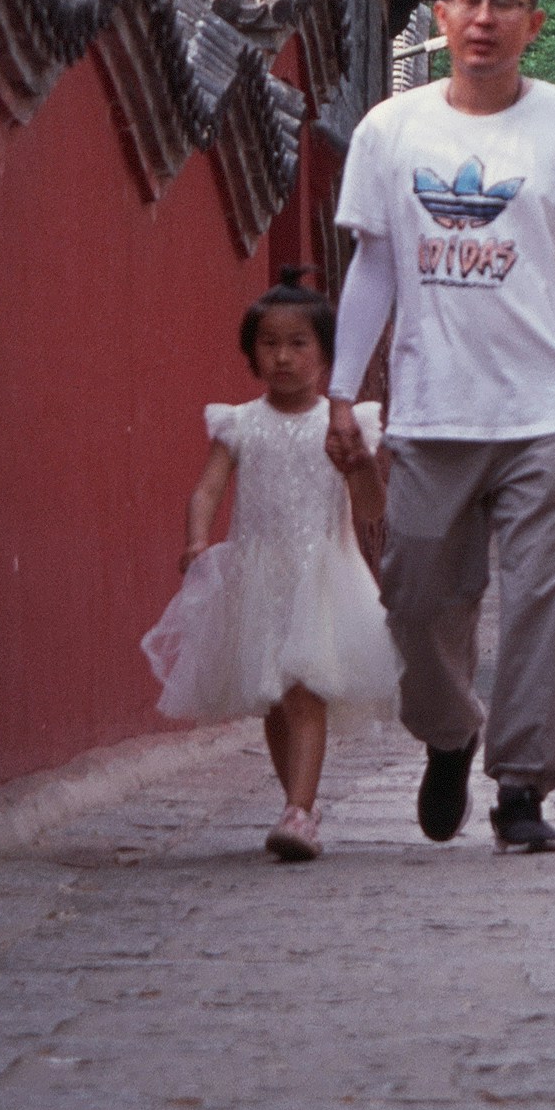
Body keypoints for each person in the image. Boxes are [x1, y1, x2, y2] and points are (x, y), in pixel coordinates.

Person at [331, 0, 555, 855]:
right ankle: (449, 733)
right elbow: (373, 264)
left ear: (534, 24)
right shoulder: (389, 132)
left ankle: (522, 785)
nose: (484, 18)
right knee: (415, 598)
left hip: (551, 412)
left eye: (504, 3)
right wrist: (338, 394)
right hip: (433, 411)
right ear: (440, 18)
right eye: (468, 1)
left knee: (539, 604)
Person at [142, 281, 399, 864]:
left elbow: (370, 508)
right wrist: (196, 539)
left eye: (298, 344)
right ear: (251, 352)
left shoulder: (344, 426)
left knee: (305, 691)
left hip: (323, 577)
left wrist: (359, 465)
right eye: (269, 344)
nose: (283, 357)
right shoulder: (239, 424)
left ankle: (300, 811)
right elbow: (208, 490)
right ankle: (297, 803)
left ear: (326, 353)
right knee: (276, 701)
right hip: (259, 579)